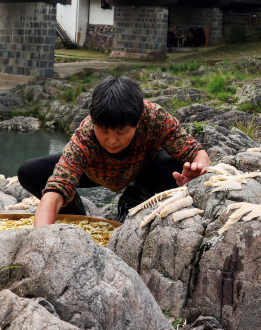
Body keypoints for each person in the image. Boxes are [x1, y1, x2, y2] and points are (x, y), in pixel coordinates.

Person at [18, 76, 210, 226]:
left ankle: (133, 199)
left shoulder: (155, 118)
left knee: (174, 163)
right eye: (103, 131)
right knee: (29, 171)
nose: (111, 140)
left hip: (142, 170)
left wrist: (196, 174)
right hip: (93, 173)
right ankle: (74, 212)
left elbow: (196, 152)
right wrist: (42, 234)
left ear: (138, 121)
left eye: (121, 132)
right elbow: (55, 189)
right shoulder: (85, 137)